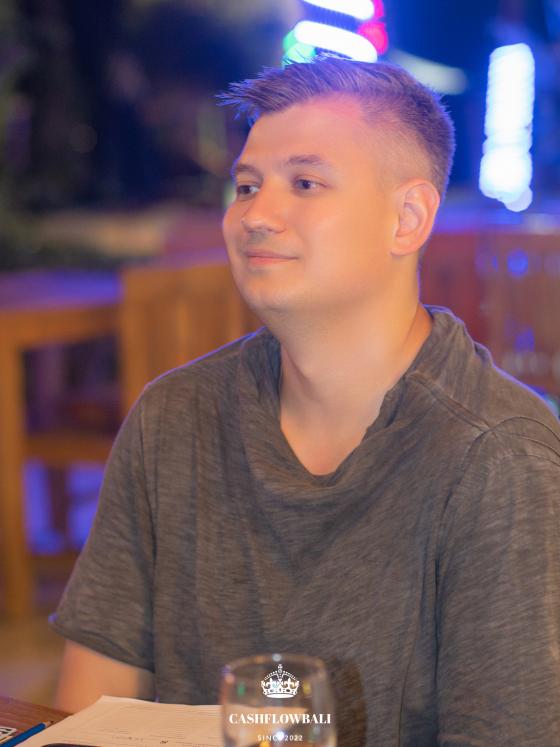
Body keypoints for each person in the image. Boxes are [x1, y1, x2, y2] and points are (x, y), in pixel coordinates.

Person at [52, 55, 560, 746]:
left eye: (305, 183)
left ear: (407, 217)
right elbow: (88, 716)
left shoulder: (501, 456)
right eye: (246, 186)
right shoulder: (174, 416)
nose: (256, 216)